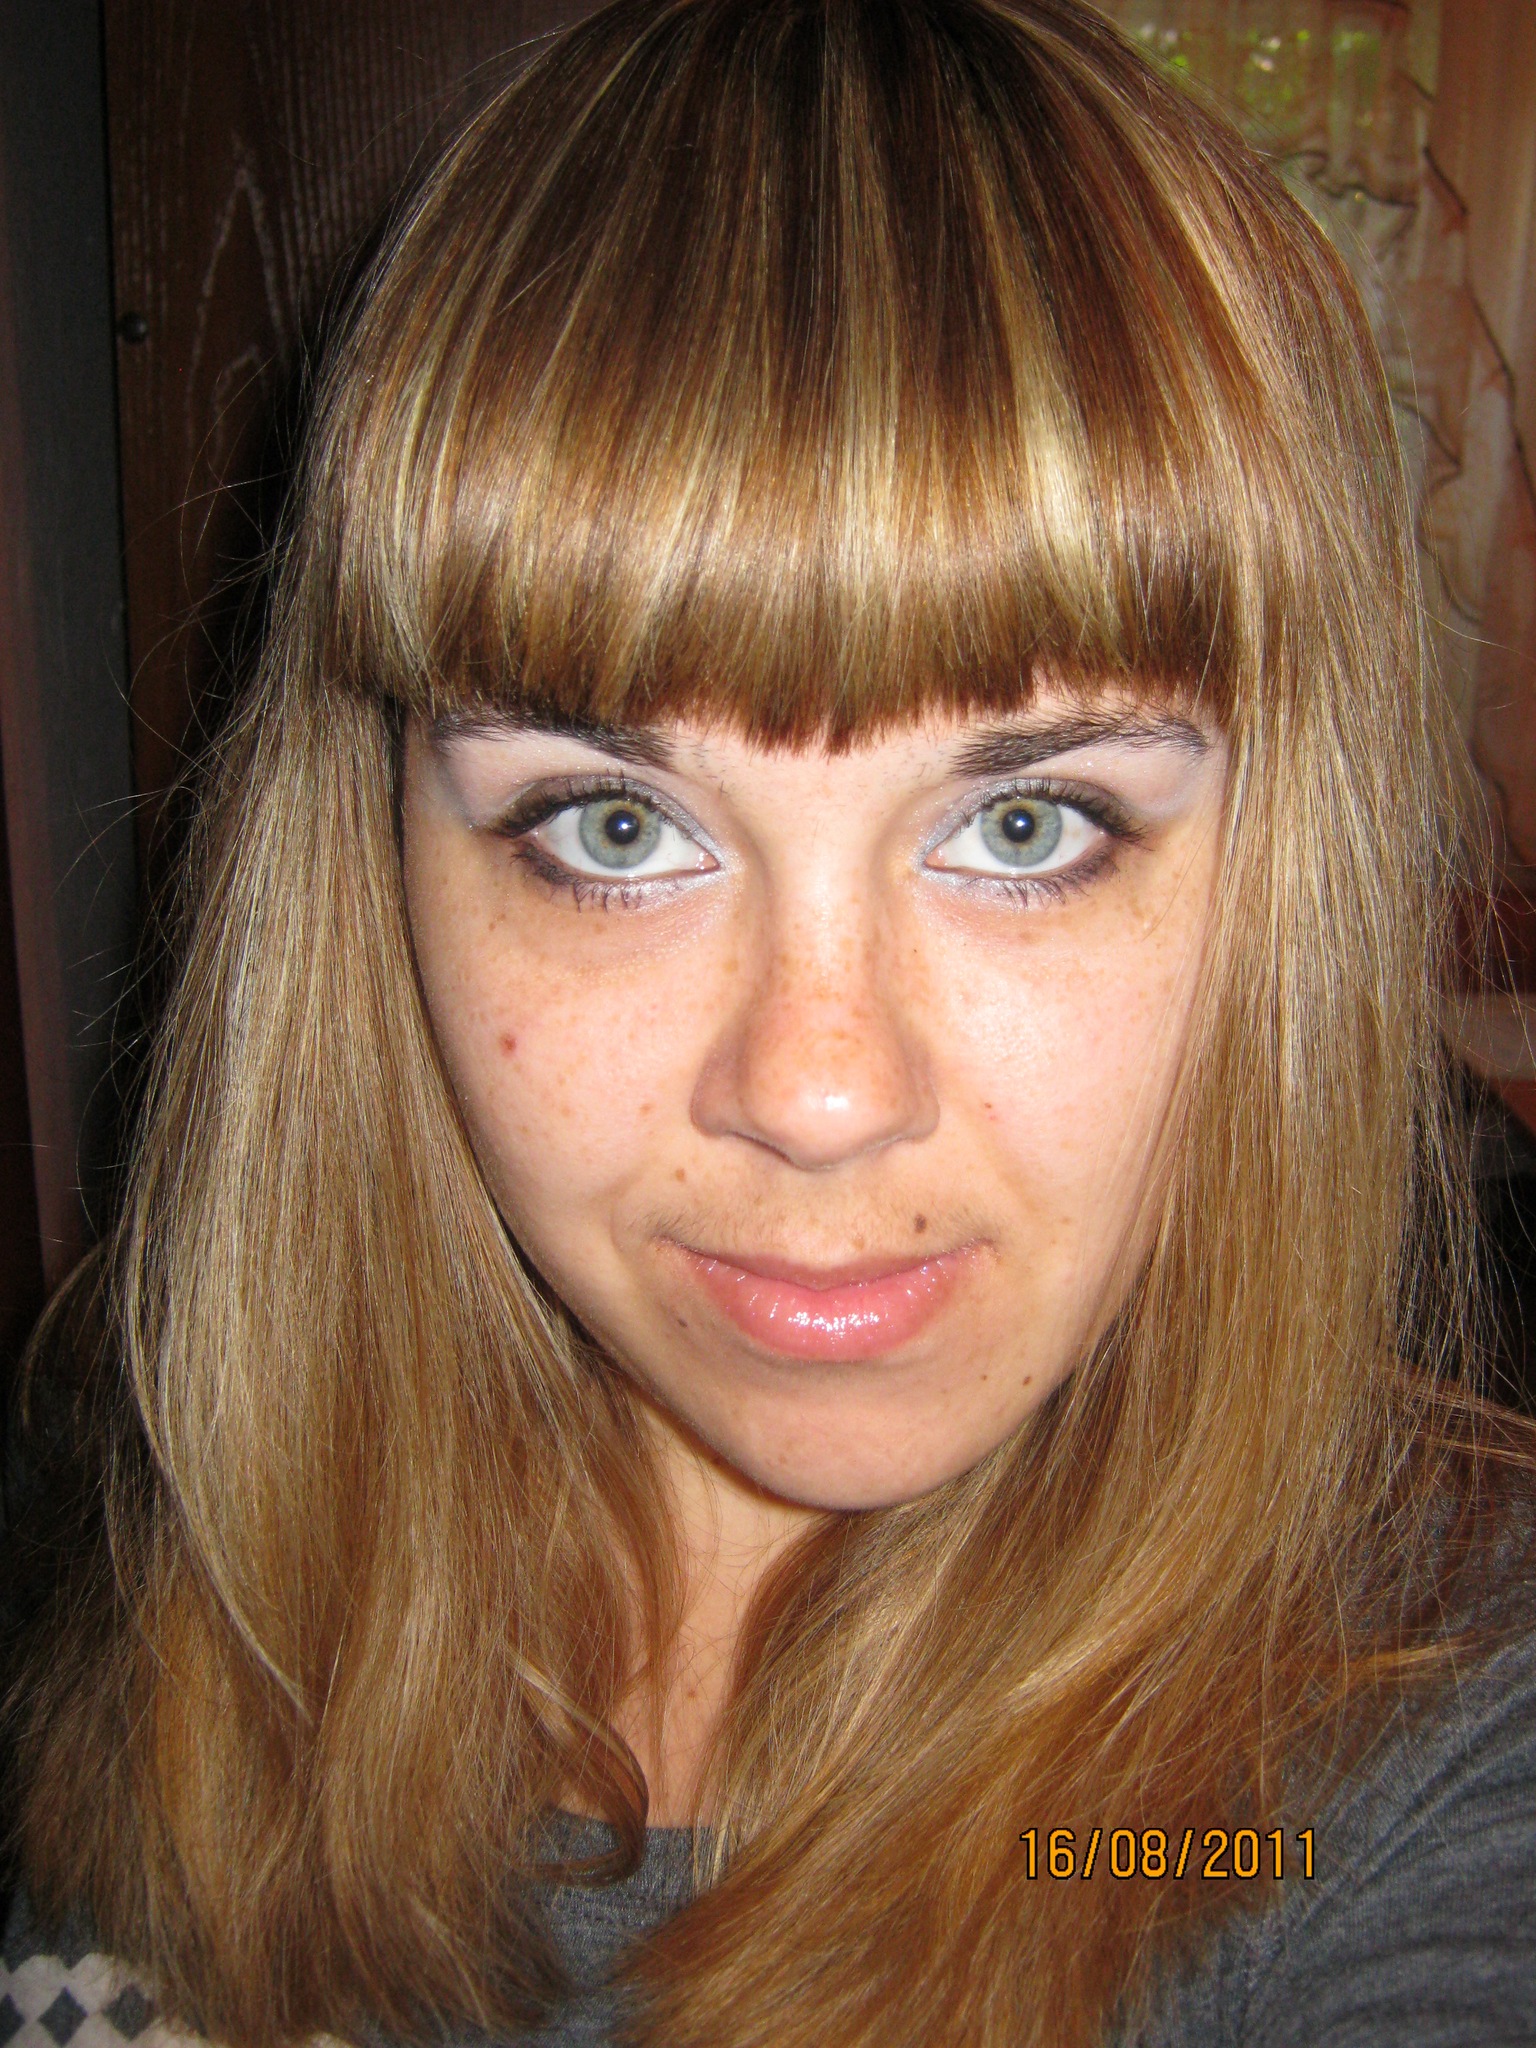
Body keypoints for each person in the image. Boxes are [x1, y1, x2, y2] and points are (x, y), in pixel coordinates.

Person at [4, 0, 1535, 2042]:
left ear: (1283, 872)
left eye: (1027, 823)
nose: (817, 1092)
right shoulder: (147, 1530)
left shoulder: (1416, 1753)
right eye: (615, 824)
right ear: (380, 872)